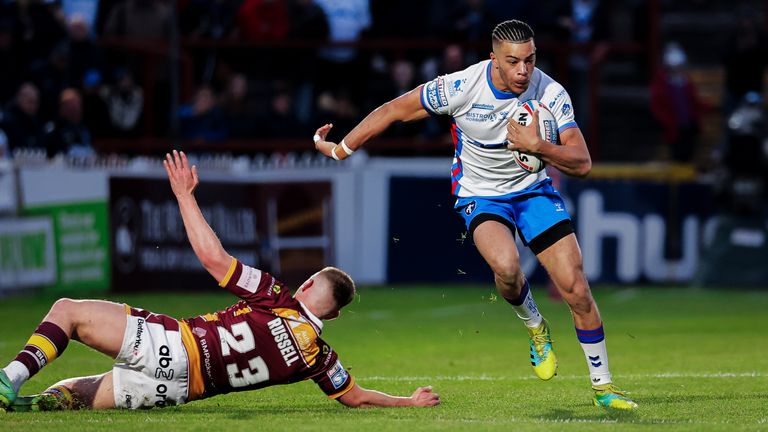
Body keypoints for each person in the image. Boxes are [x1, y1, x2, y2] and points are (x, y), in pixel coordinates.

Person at [314, 19, 637, 410]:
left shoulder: (550, 91)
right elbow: (392, 111)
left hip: (533, 192)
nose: (523, 71)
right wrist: (340, 150)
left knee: (577, 289)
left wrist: (539, 147)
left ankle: (604, 387)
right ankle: (535, 325)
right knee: (507, 268)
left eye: (530, 61)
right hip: (481, 196)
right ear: (493, 59)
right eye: (513, 61)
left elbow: (582, 162)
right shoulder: (462, 86)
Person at [0, 150, 440, 412]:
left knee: (68, 312)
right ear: (336, 315)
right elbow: (355, 397)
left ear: (306, 286)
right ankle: (25, 402)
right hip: (178, 390)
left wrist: (184, 198)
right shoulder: (318, 358)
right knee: (70, 395)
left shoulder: (277, 296)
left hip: (176, 346)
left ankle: (9, 377)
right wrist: (409, 402)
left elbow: (214, 260)